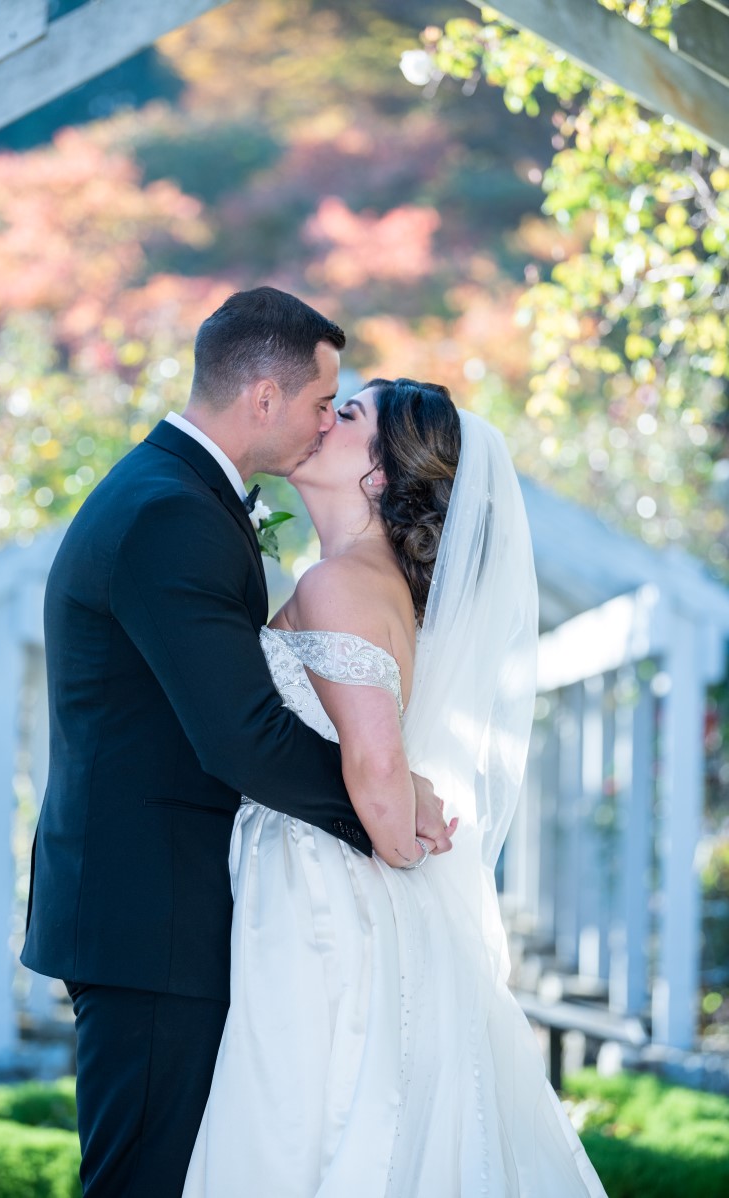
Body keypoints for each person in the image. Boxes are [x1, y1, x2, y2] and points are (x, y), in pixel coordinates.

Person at [20, 291, 449, 1198]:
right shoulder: (172, 512)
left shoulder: (176, 494)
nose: (325, 420)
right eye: (319, 401)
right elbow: (243, 736)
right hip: (152, 916)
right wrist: (384, 805)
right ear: (262, 397)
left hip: (169, 911)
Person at [184, 378, 608, 1196]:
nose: (324, 416)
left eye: (347, 414)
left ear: (379, 475)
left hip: (318, 907)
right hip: (323, 888)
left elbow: (377, 790)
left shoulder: (339, 585)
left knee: (309, 1123)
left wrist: (400, 801)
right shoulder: (356, 578)